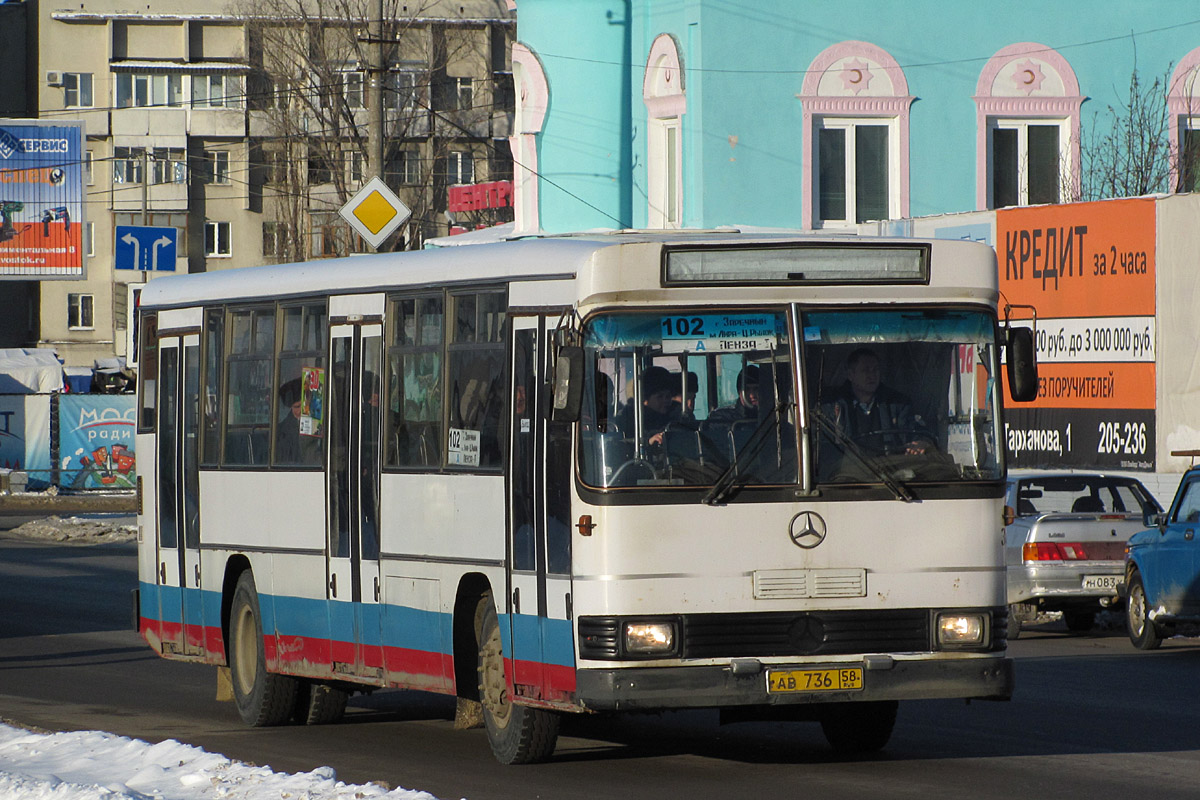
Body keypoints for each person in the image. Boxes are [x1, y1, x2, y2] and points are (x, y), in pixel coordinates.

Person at [821, 348, 932, 456]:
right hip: (848, 472)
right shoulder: (832, 407)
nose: (872, 375)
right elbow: (825, 448)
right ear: (851, 375)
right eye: (866, 370)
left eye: (875, 370)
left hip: (891, 470)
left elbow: (916, 431)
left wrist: (922, 442)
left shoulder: (897, 404)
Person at [617, 365, 675, 442]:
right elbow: (621, 444)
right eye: (660, 396)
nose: (665, 400)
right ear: (644, 400)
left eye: (668, 396)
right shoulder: (628, 419)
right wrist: (648, 442)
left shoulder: (675, 418)